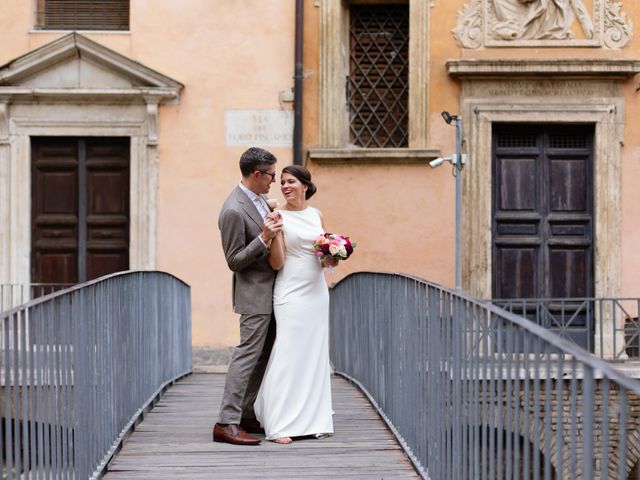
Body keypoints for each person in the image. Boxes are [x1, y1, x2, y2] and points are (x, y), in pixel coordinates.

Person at [253, 165, 335, 444]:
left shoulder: (317, 215)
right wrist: (273, 234)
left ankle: (315, 420)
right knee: (288, 352)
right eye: (283, 182)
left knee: (314, 353)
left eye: (291, 182)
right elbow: (277, 262)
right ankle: (279, 423)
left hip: (316, 291)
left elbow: (322, 256)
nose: (285, 186)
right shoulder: (278, 217)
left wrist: (332, 257)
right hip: (290, 291)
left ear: (305, 185)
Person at [213, 147, 283, 446]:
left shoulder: (260, 200)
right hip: (253, 294)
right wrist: (263, 238)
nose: (274, 181)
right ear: (256, 174)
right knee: (246, 357)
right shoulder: (232, 209)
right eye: (271, 176)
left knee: (263, 356)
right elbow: (234, 260)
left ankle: (244, 413)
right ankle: (226, 423)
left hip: (273, 292)